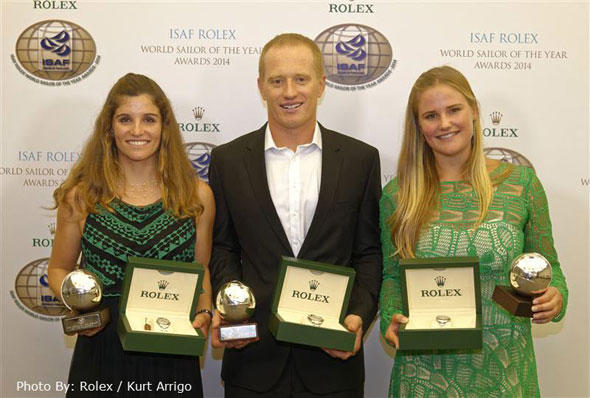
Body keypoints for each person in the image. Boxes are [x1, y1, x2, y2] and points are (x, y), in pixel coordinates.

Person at [208, 33, 382, 397]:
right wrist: (232, 306)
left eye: (301, 79)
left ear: (321, 84)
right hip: (253, 360)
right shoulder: (227, 161)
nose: (289, 92)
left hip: (333, 362)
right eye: (277, 80)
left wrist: (359, 318)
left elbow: (368, 253)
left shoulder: (360, 160)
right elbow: (222, 248)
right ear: (261, 87)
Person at [379, 65, 568, 397]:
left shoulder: (522, 184)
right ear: (418, 126)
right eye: (431, 115)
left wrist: (555, 298)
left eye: (454, 110)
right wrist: (389, 320)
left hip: (505, 370)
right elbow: (393, 276)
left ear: (475, 111)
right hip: (424, 374)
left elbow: (548, 267)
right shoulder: (398, 195)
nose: (445, 123)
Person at [47, 73, 214, 397]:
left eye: (148, 119)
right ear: (109, 128)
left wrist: (205, 312)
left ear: (164, 128)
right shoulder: (81, 197)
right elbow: (58, 269)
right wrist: (79, 306)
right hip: (101, 348)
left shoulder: (196, 196)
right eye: (126, 119)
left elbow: (201, 268)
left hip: (172, 349)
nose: (137, 131)